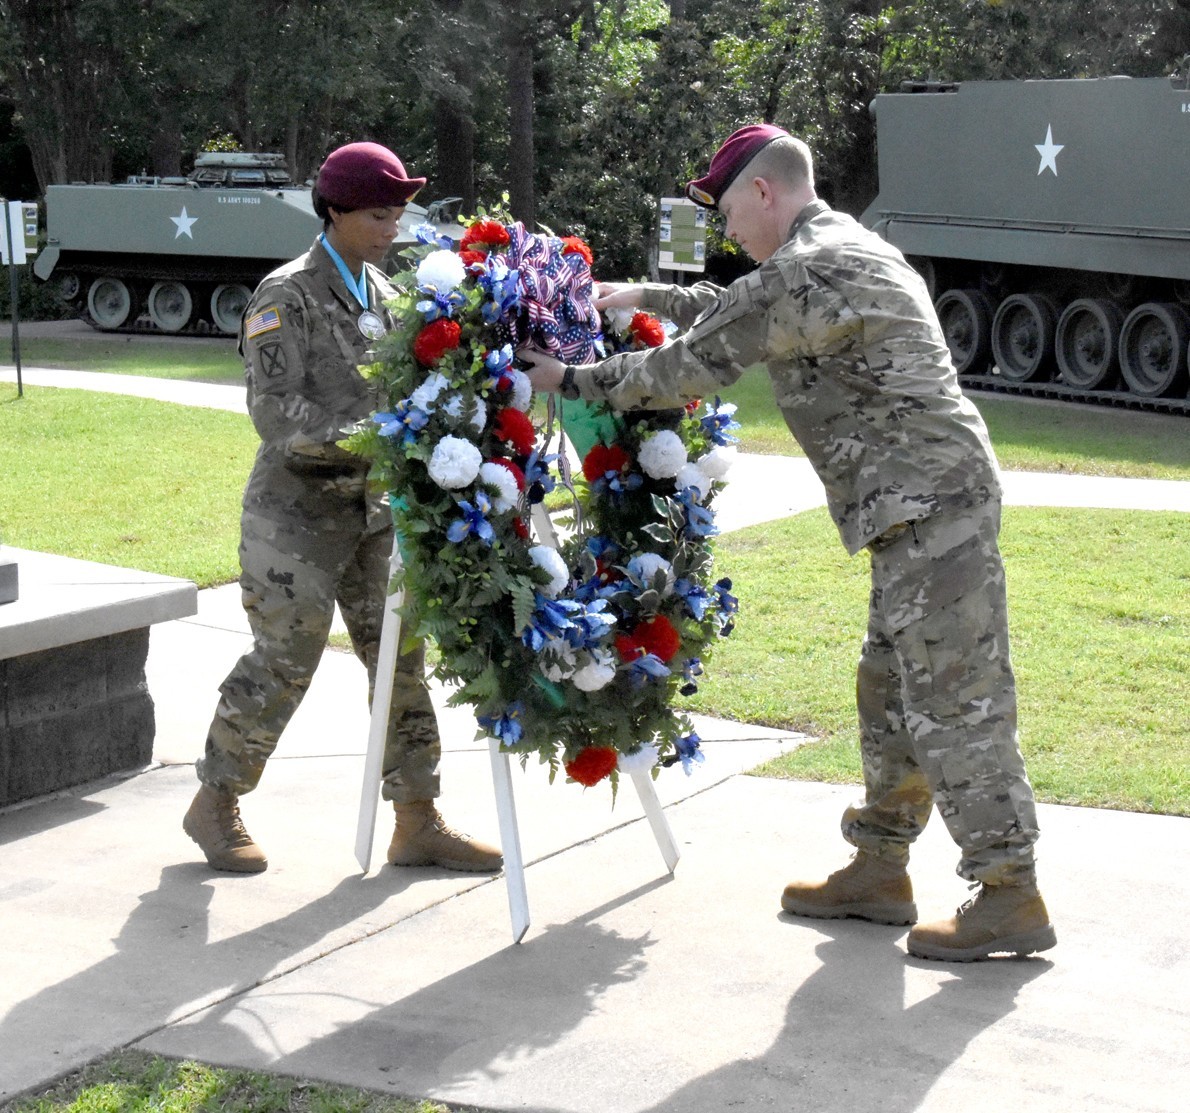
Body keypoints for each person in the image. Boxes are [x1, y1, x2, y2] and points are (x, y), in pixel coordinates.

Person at [518, 124, 1055, 962]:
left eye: (729, 208)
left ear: (764, 192)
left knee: (956, 696)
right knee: (888, 688)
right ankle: (880, 865)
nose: (728, 229)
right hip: (916, 506)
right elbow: (748, 307)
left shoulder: (810, 267)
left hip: (930, 507)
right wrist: (648, 297)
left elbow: (692, 367)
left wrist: (569, 380)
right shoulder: (834, 251)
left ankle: (1010, 889)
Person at [183, 141, 502, 876]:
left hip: (374, 511)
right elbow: (275, 412)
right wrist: (376, 436)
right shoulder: (284, 294)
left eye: (397, 214)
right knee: (285, 657)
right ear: (334, 211)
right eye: (378, 215)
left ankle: (417, 819)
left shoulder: (386, 295)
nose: (393, 228)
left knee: (399, 658)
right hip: (293, 513)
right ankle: (215, 798)